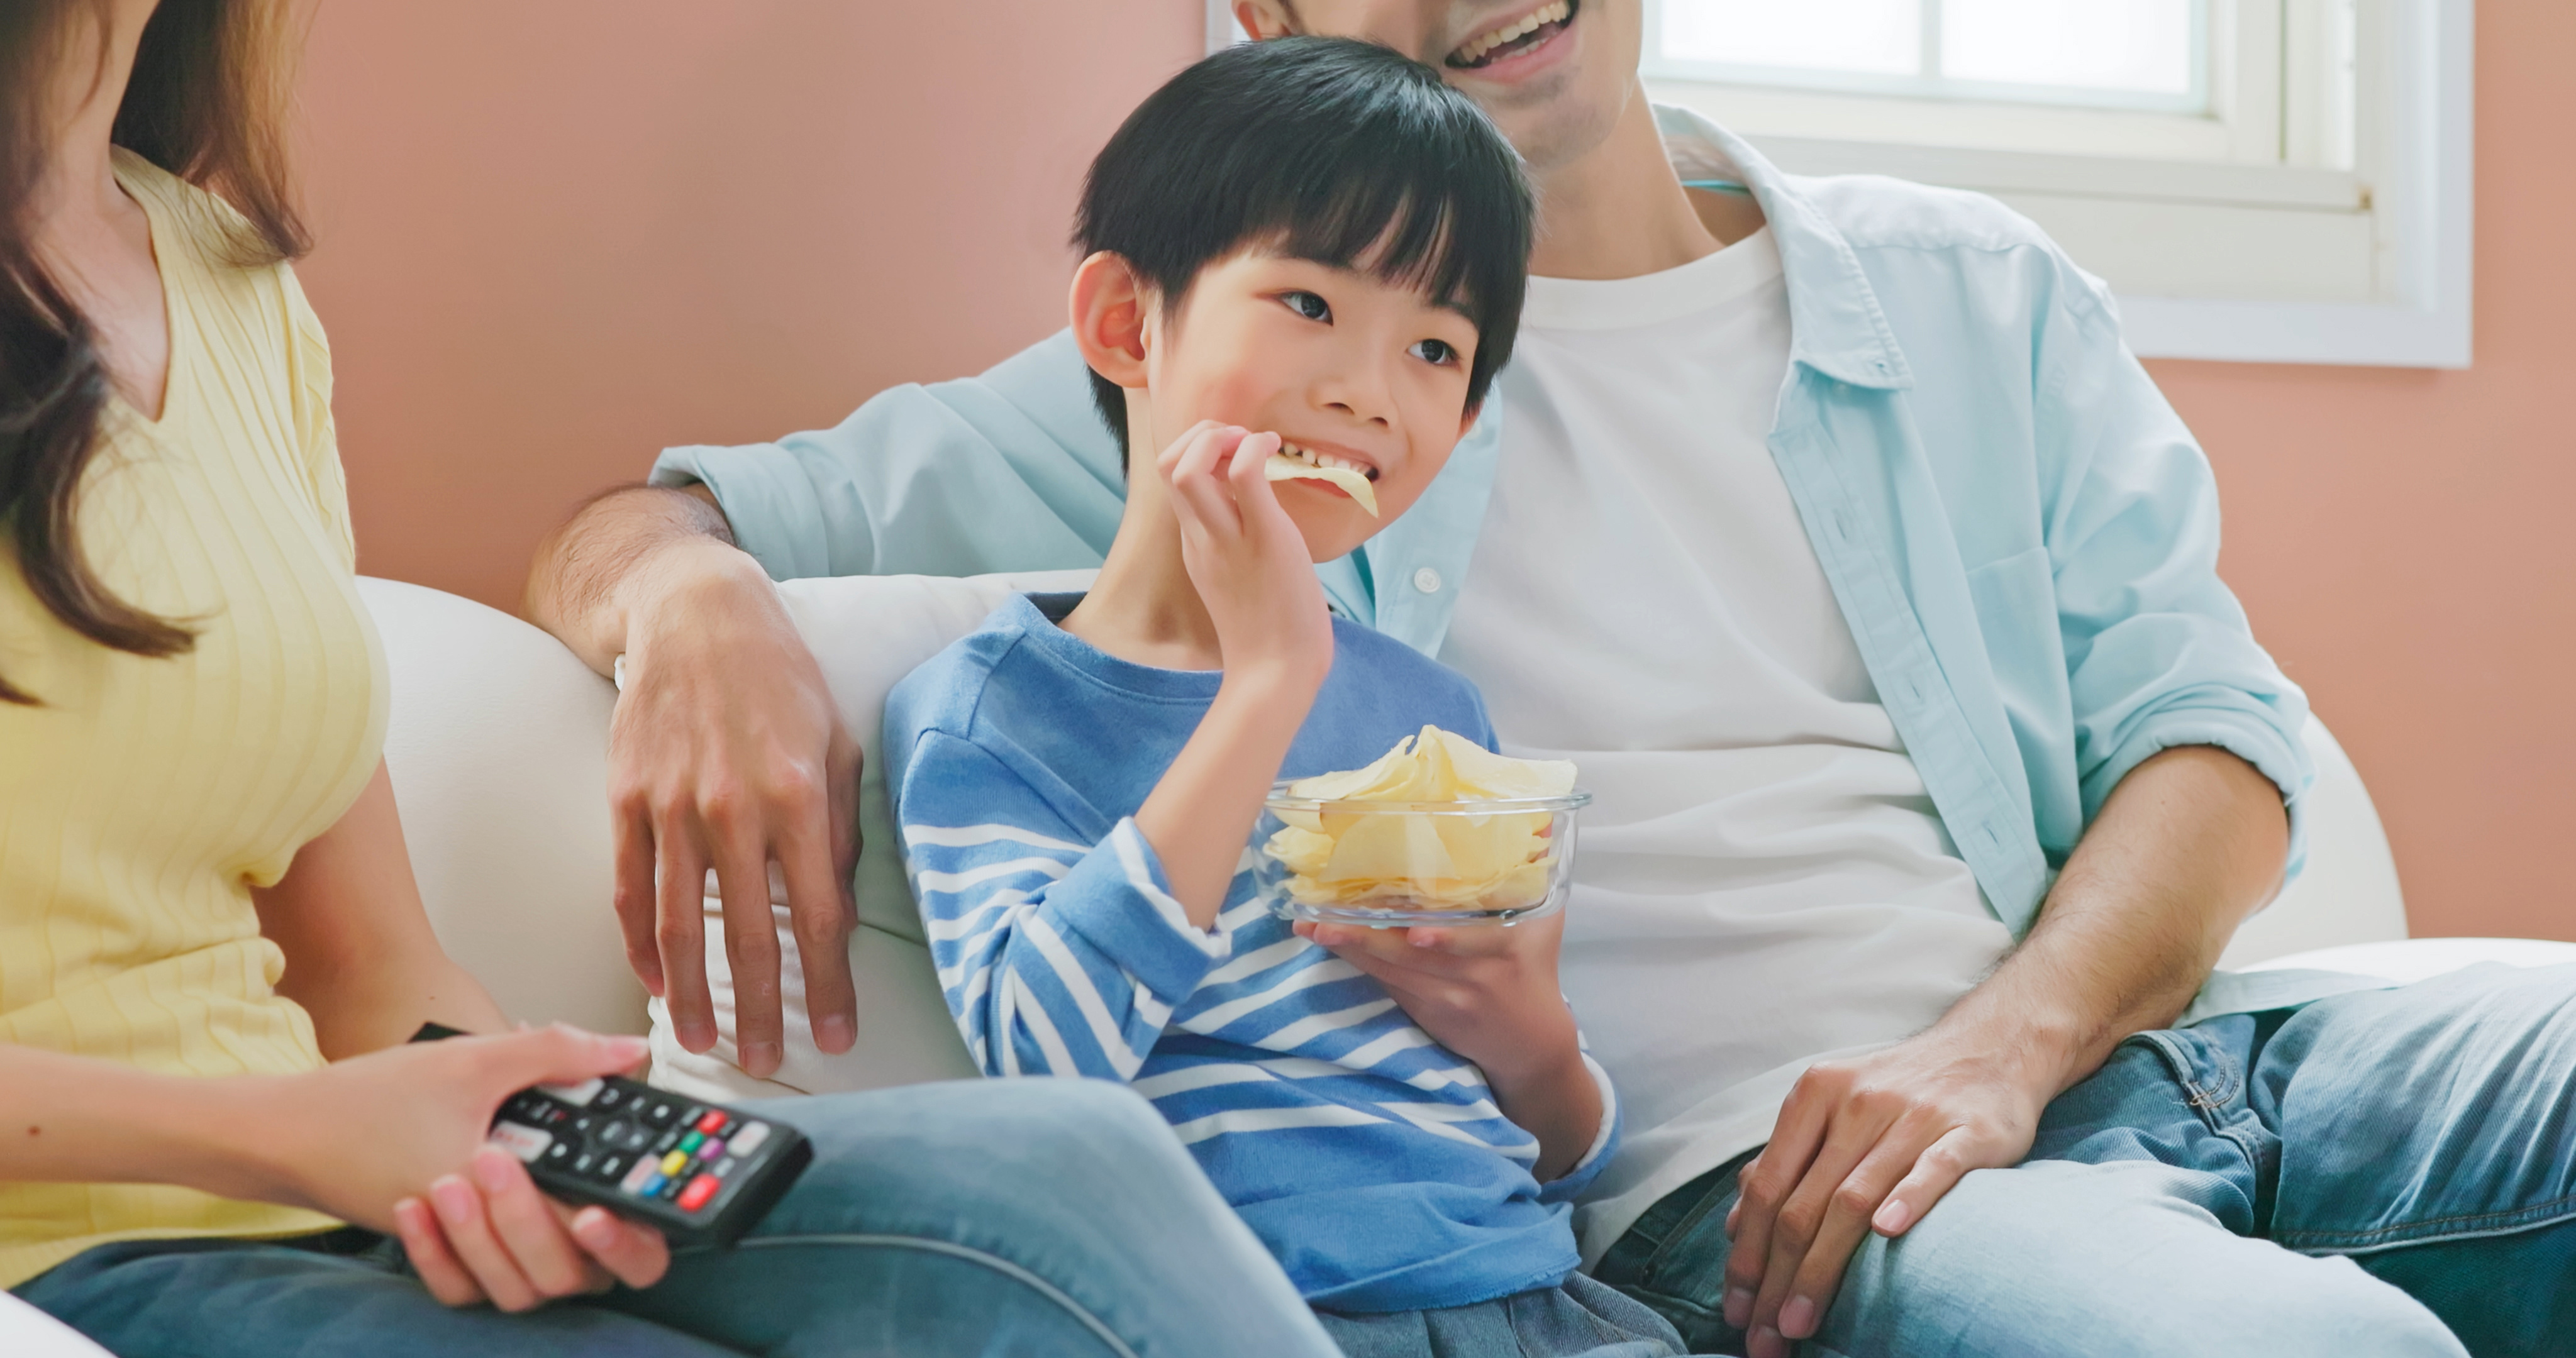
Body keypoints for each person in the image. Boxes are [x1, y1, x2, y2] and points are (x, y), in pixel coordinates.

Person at [526, 3, 2576, 1355]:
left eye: (1432, 344)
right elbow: (641, 522)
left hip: (2178, 1051)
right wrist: (694, 617)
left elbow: (2213, 738)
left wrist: (2001, 1045)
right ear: (1268, 14)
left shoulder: (1962, 293)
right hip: (1775, 1198)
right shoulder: (1222, 379)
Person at [0, 4, 1345, 1355]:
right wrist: (287, 1138)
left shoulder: (230, 283)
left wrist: (517, 1120)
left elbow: (364, 964)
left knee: (1060, 1173)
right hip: (66, 1257)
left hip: (323, 1189)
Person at [887, 39, 1679, 1356]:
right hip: (1254, 1318)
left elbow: (1553, 1158)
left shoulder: (1431, 714)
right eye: (1309, 306)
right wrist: (1266, 681)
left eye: (1435, 347)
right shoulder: (994, 713)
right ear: (1126, 326)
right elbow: (1041, 1063)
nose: (1366, 391)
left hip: (1534, 1305)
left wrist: (1538, 1045)